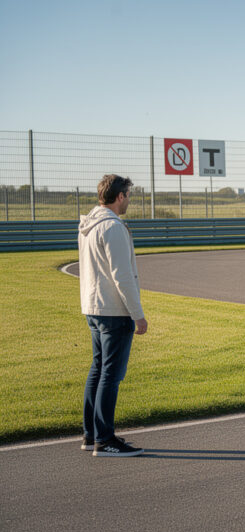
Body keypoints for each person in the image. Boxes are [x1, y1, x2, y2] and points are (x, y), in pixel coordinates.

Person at [78, 174, 147, 457]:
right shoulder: (113, 227)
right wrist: (138, 315)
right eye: (128, 195)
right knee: (111, 375)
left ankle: (91, 434)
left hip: (93, 308)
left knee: (97, 371)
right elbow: (123, 277)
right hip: (114, 311)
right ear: (120, 196)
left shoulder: (88, 225)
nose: (129, 200)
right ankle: (104, 440)